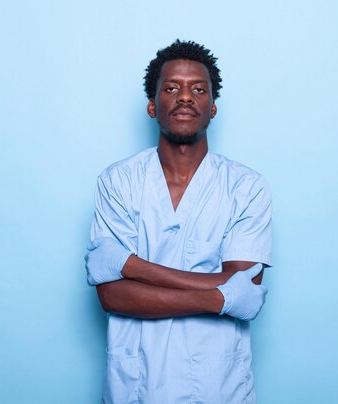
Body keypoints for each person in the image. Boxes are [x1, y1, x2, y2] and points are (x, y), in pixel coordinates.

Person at [85, 39, 273, 403]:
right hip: (136, 386)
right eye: (171, 88)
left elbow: (245, 289)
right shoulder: (118, 182)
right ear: (152, 106)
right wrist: (218, 297)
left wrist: (130, 267)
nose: (185, 97)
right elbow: (111, 294)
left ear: (213, 107)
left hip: (218, 385)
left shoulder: (247, 188)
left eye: (198, 89)